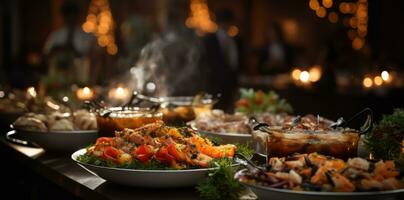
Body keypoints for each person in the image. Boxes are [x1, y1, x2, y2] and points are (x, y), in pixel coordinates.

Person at [43, 0, 96, 88]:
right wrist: (58, 50)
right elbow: (46, 54)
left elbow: (94, 56)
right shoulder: (56, 35)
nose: (71, 18)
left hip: (81, 79)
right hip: (58, 81)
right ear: (64, 16)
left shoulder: (87, 36)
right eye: (68, 15)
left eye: (74, 14)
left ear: (78, 16)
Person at [201, 9, 241, 111]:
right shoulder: (209, 39)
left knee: (230, 110)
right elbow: (205, 62)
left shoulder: (235, 40)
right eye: (224, 21)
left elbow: (236, 62)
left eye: (228, 21)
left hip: (232, 83)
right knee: (215, 111)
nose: (226, 24)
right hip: (215, 84)